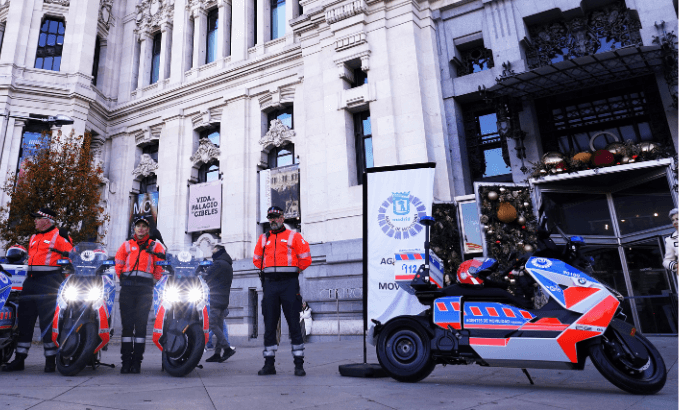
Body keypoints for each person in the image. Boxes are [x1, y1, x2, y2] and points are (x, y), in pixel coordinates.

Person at [2, 208, 72, 372]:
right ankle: (19, 360)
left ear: (47, 220)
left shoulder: (60, 236)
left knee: (48, 324)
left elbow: (72, 257)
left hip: (49, 282)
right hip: (31, 281)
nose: (34, 220)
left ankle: (50, 361)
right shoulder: (33, 237)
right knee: (24, 322)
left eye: (37, 218)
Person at [253, 205, 311, 376]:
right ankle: (269, 364)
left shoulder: (294, 236)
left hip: (289, 285)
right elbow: (257, 260)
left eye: (276, 217)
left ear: (282, 218)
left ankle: (299, 365)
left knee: (294, 323)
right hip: (270, 285)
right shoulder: (263, 239)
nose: (273, 220)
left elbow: (306, 259)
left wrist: (293, 271)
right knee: (270, 325)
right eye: (270, 217)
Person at [115, 215, 165, 374]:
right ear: (134, 228)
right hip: (127, 289)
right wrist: (122, 278)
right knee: (127, 327)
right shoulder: (126, 245)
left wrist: (154, 280)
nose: (141, 229)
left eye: (144, 226)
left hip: (145, 290)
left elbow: (160, 266)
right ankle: (125, 362)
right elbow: (118, 264)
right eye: (138, 226)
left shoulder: (155, 246)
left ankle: (137, 362)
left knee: (141, 327)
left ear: (148, 229)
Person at [204, 245, 236, 363]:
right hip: (223, 300)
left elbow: (206, 277)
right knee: (219, 326)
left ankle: (227, 349)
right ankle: (217, 354)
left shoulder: (218, 264)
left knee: (211, 324)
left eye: (214, 251)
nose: (212, 253)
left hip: (215, 299)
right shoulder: (227, 264)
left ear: (218, 251)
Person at [662, 208, 678, 275]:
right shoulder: (670, 240)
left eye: (677, 219)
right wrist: (676, 266)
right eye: (673, 220)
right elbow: (666, 261)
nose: (675, 222)